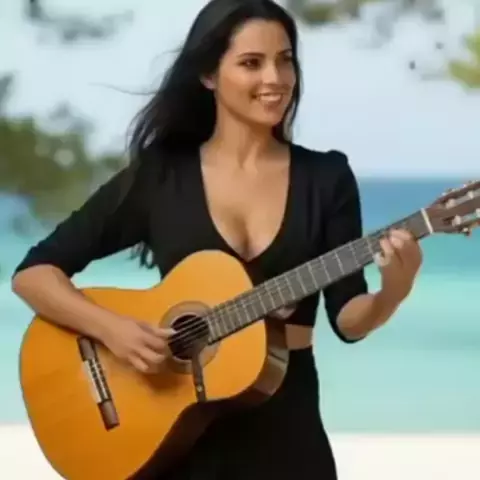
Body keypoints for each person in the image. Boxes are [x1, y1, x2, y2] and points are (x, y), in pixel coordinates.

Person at [11, 0, 423, 478]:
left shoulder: (326, 177)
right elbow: (34, 275)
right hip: (171, 445)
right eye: (252, 63)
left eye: (285, 60)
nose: (275, 78)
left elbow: (348, 319)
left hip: (288, 440)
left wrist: (393, 292)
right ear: (208, 75)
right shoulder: (162, 176)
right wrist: (112, 330)